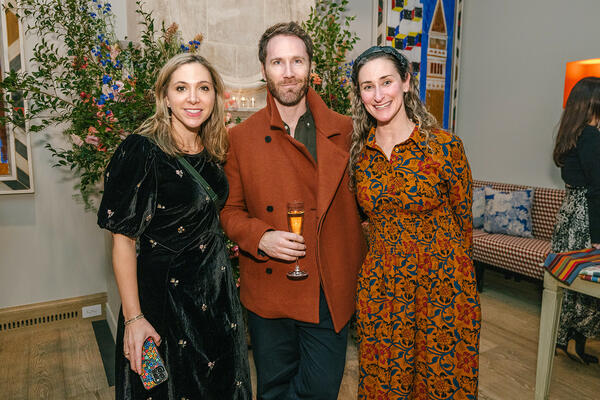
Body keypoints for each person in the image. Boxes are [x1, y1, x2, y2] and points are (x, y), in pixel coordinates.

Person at [220, 22, 367, 400]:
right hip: (270, 289)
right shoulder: (239, 138)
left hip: (327, 288)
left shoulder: (349, 131)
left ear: (310, 66)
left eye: (297, 61)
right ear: (264, 70)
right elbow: (229, 211)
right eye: (278, 62)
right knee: (273, 387)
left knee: (320, 389)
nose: (288, 72)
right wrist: (261, 237)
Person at [97, 53, 251, 399]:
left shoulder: (214, 148)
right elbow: (122, 242)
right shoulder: (142, 150)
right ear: (165, 96)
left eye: (203, 88)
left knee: (219, 386)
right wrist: (135, 319)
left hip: (216, 298)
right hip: (163, 301)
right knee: (161, 386)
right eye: (181, 88)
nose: (193, 98)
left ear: (215, 96)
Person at [349, 46, 481, 399]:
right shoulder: (360, 157)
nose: (378, 95)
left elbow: (463, 223)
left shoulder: (444, 147)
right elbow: (365, 221)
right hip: (382, 290)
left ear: (406, 82)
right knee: (383, 386)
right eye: (367, 86)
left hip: (443, 288)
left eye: (386, 81)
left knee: (441, 385)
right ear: (359, 95)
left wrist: (457, 282)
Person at [552, 76, 600, 365]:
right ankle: (575, 344)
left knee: (567, 279)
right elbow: (598, 188)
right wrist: (598, 233)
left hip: (569, 213)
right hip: (585, 216)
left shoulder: (571, 133)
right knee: (587, 282)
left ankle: (563, 339)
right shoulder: (592, 135)